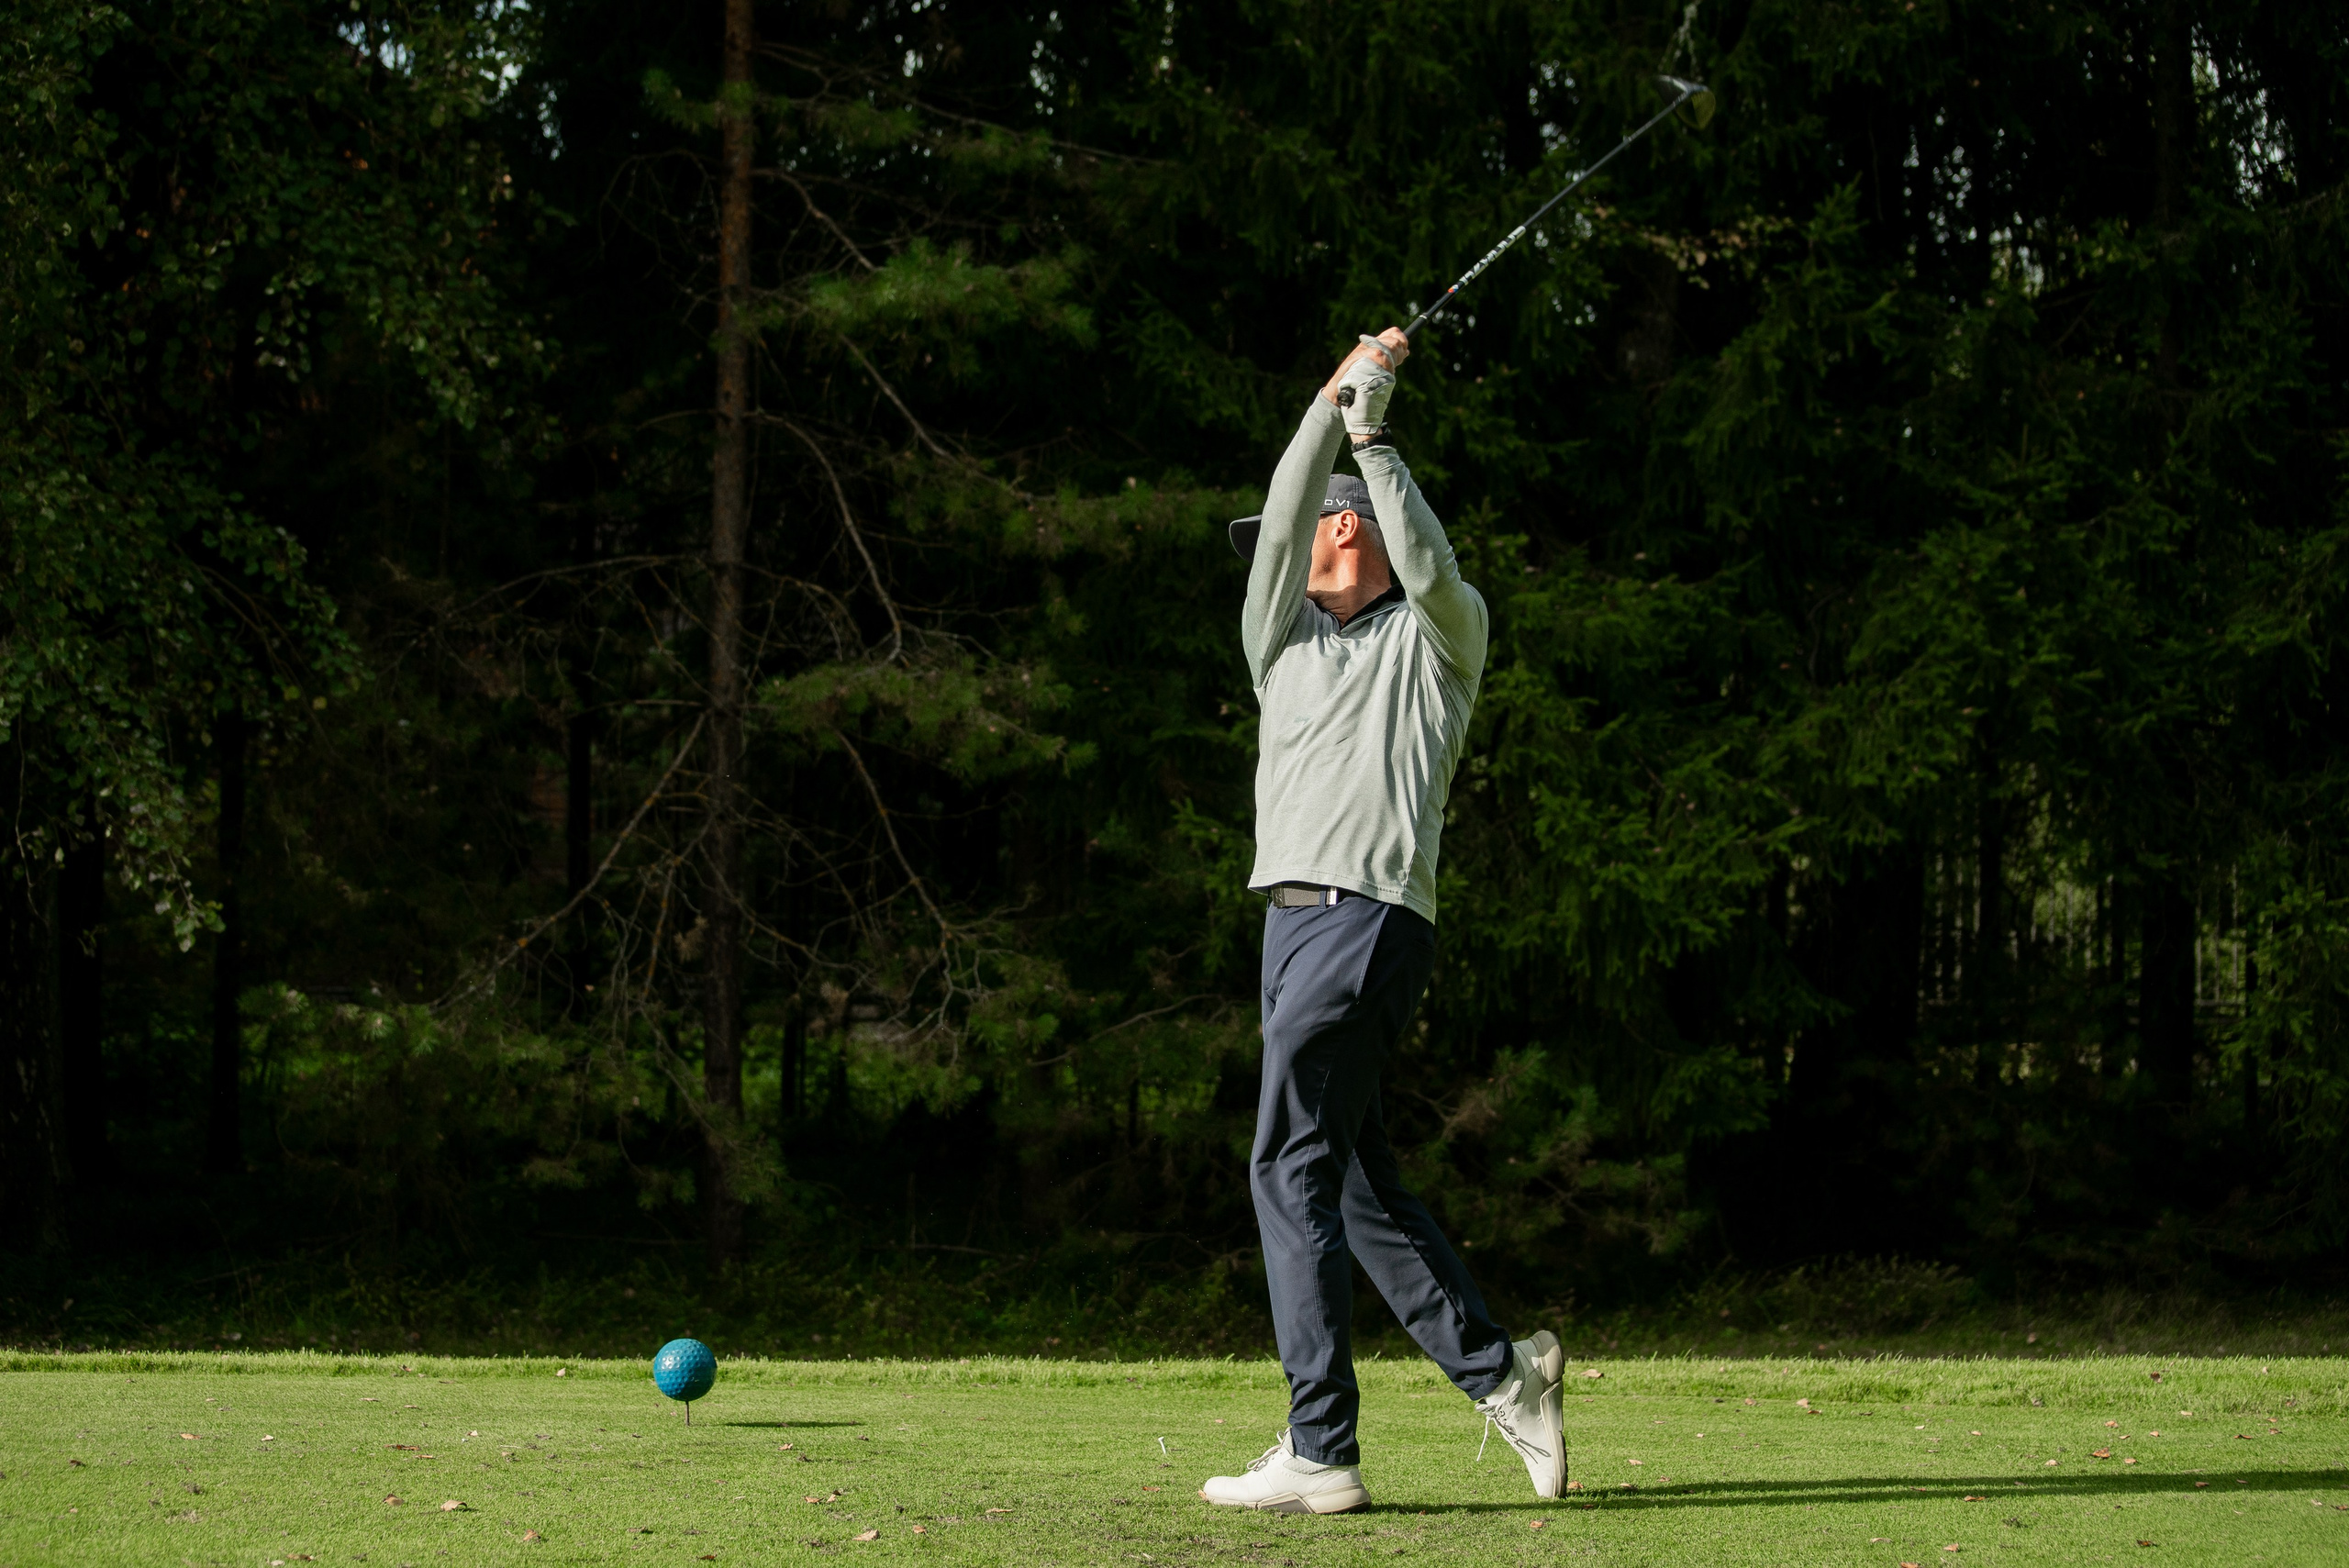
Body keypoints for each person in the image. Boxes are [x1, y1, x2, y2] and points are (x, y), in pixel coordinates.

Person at [1198, 328, 1565, 1516]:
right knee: (1347, 1178)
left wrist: (1371, 429)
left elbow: (1426, 554)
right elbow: (1281, 491)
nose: (1285, 549)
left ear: (1347, 528)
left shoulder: (1441, 638)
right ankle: (1504, 1374)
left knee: (1282, 1159)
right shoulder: (1279, 646)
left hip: (1366, 919)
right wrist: (1324, 397)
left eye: (1312, 527)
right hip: (1289, 931)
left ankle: (1322, 1443)